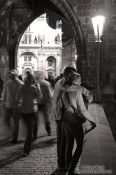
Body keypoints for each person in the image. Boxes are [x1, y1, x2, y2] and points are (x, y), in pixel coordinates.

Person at [51, 66, 94, 175]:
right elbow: (79, 105)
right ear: (70, 75)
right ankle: (64, 166)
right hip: (62, 117)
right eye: (74, 75)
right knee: (64, 142)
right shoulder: (63, 84)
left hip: (62, 117)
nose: (76, 78)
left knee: (67, 143)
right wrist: (86, 91)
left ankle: (66, 166)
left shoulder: (64, 84)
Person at [61, 72, 96, 175]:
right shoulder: (77, 90)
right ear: (75, 80)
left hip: (65, 121)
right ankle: (71, 169)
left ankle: (68, 167)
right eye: (79, 80)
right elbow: (83, 109)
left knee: (69, 144)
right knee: (81, 146)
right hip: (75, 122)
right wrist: (92, 120)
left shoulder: (64, 89)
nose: (80, 82)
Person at [17, 73, 40, 156]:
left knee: (29, 132)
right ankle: (26, 148)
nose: (28, 80)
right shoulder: (29, 88)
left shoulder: (30, 88)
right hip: (26, 112)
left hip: (30, 112)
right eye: (28, 79)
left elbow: (18, 97)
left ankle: (26, 150)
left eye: (29, 79)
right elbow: (39, 97)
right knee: (28, 131)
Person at [1, 69, 23, 143]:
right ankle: (11, 132)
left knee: (15, 122)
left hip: (17, 106)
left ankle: (15, 137)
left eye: (12, 74)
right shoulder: (7, 83)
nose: (10, 75)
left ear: (16, 75)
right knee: (6, 120)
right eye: (10, 74)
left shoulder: (20, 84)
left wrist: (20, 102)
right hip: (8, 105)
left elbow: (23, 95)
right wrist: (3, 101)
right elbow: (4, 92)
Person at [35, 71, 53, 136]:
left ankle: (34, 133)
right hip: (45, 103)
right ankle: (49, 131)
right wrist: (50, 101)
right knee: (47, 118)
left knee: (36, 119)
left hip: (38, 103)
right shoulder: (46, 83)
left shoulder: (36, 83)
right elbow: (50, 94)